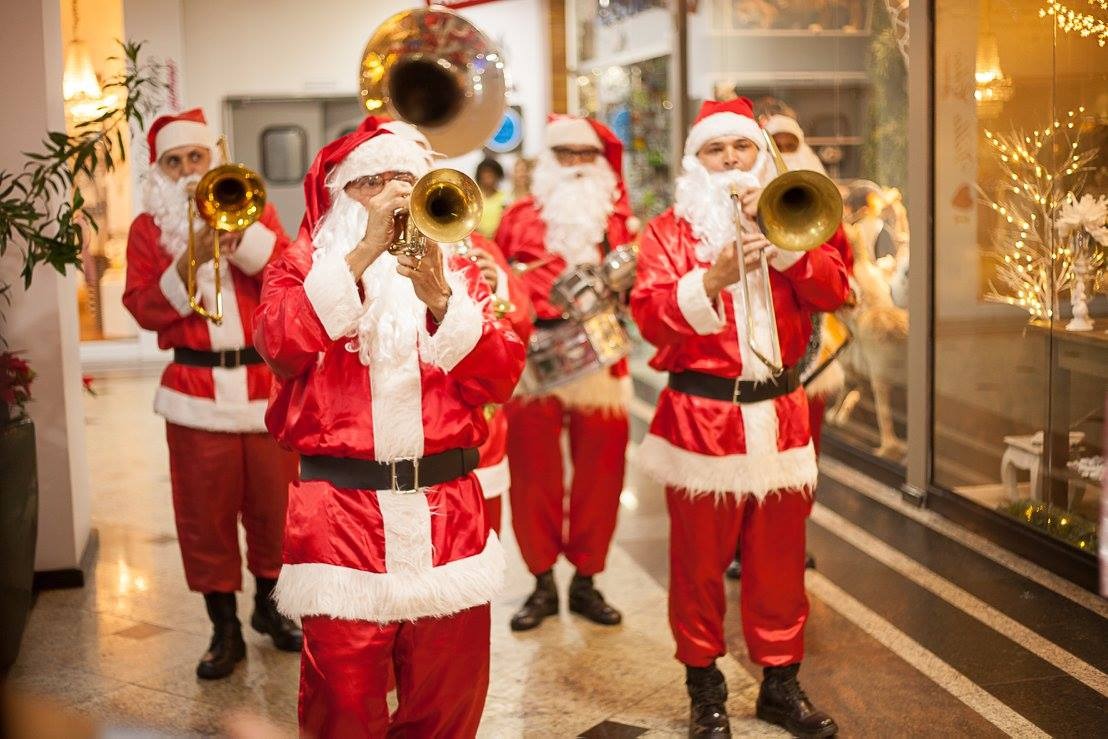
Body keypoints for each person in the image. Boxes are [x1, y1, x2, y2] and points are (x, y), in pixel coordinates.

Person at [254, 126, 525, 738]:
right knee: (343, 705)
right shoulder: (299, 267)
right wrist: (361, 255)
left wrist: (439, 299)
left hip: (448, 516)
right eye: (370, 183)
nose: (392, 196)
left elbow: (502, 377)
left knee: (448, 697)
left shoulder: (460, 268)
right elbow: (279, 345)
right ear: (338, 196)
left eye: (405, 180)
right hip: (340, 518)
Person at [630, 97, 848, 737]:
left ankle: (781, 684)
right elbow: (649, 317)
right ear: (694, 162)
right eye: (714, 150)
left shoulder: (795, 215)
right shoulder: (667, 234)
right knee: (698, 566)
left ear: (762, 155)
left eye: (741, 148)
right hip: (702, 419)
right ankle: (706, 689)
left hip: (781, 417)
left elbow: (835, 290)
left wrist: (784, 248)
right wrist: (712, 278)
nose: (729, 160)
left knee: (781, 560)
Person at [122, 108, 301, 680]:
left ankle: (270, 610)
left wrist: (240, 238)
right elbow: (145, 307)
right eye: (174, 162)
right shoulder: (147, 232)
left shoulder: (253, 207)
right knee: (205, 516)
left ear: (213, 159)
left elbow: (290, 271)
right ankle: (223, 628)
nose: (187, 171)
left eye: (195, 158)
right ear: (160, 172)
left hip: (261, 388)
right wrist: (192, 255)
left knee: (276, 509)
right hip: (195, 391)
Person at [494, 115, 634, 632]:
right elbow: (495, 283)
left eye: (585, 154)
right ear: (548, 161)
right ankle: (541, 581)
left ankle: (586, 579)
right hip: (535, 360)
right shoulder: (517, 216)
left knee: (603, 474)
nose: (575, 164)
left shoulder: (617, 221)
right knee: (533, 476)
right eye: (565, 154)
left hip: (602, 357)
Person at [763, 113, 828, 175]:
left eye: (790, 146)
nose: (784, 151)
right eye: (777, 147)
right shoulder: (760, 169)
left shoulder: (811, 163)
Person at [475, 157, 507, 239]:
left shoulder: (505, 197)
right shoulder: (474, 199)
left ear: (498, 175)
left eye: (492, 172)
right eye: (485, 172)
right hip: (477, 242)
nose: (488, 175)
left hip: (499, 243)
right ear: (479, 176)